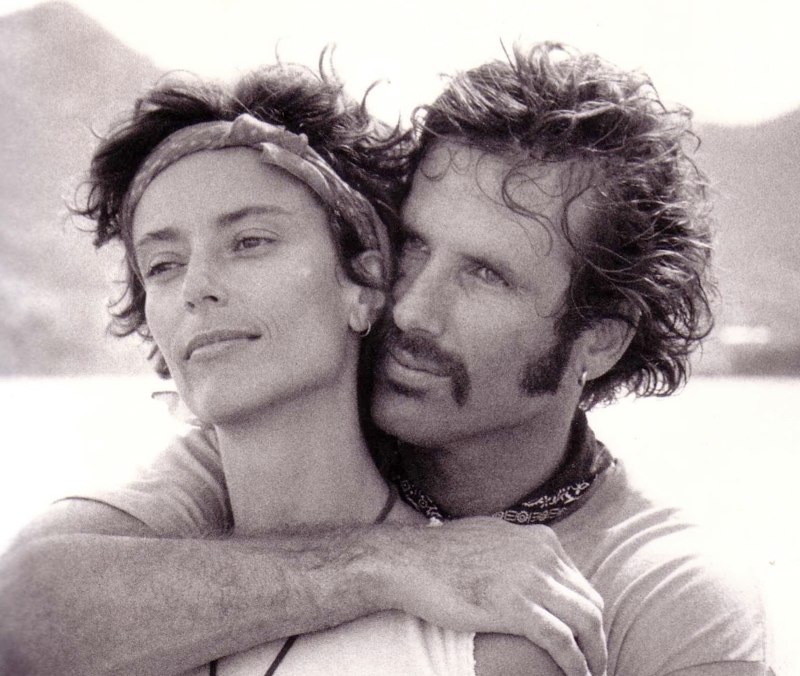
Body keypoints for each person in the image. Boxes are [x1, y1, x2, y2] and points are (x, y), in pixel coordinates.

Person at [0, 43, 770, 675]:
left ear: (599, 338)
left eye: (485, 274)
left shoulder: (666, 587)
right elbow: (28, 612)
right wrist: (386, 565)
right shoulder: (285, 443)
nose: (411, 309)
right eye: (415, 247)